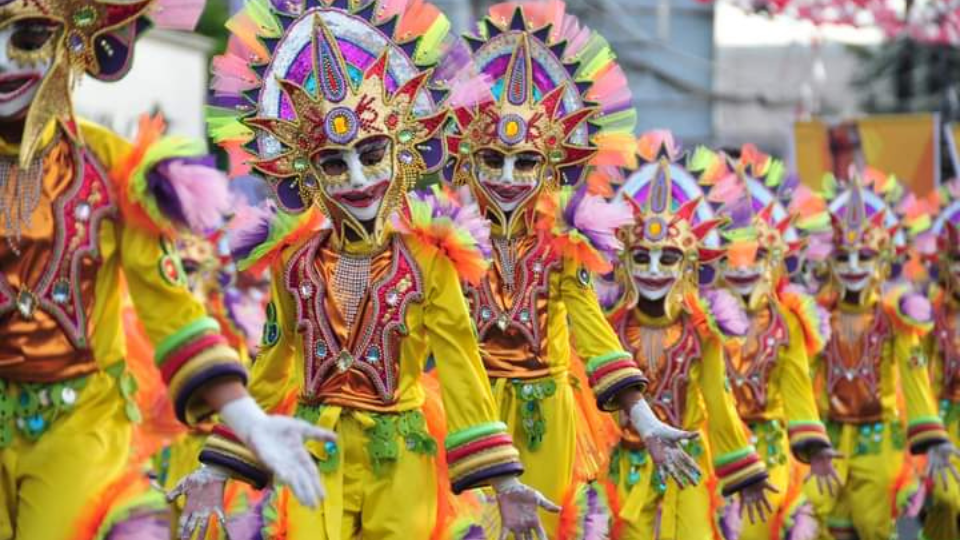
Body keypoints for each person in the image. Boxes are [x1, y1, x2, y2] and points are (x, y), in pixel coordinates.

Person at [178, 1, 558, 538]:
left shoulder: (430, 259)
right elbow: (270, 368)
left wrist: (505, 481)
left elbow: (461, 368)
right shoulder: (293, 263)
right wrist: (217, 465)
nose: (357, 178)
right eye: (334, 162)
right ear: (309, 174)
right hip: (314, 447)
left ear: (401, 153)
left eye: (372, 153)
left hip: (402, 455)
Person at [0, 1, 334, 539]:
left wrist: (246, 418)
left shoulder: (117, 170)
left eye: (27, 37)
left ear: (76, 41)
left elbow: (172, 310)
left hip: (81, 428)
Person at [440, 4, 701, 538]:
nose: (510, 177)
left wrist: (643, 418)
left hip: (548, 419)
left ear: (551, 165)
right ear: (467, 160)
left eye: (526, 162)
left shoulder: (562, 244)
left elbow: (592, 331)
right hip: (465, 410)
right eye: (494, 160)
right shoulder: (446, 239)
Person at [602, 132, 775, 540]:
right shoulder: (607, 327)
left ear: (688, 265)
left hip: (688, 464)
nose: (655, 269)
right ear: (624, 262)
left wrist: (744, 469)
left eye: (669, 257)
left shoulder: (703, 330)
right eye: (643, 257)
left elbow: (718, 399)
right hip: (625, 465)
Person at [803, 172, 959, 540]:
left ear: (881, 263)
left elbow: (915, 374)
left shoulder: (896, 317)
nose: (854, 267)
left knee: (875, 527)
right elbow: (803, 379)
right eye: (845, 257)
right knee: (820, 522)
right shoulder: (818, 316)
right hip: (832, 435)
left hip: (879, 439)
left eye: (864, 257)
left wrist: (931, 435)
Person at [700, 145, 839, 540]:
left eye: (756, 257)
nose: (743, 270)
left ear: (775, 259)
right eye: (731, 257)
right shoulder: (700, 316)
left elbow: (797, 387)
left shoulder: (787, 321)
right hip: (714, 448)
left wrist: (815, 447)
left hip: (771, 447)